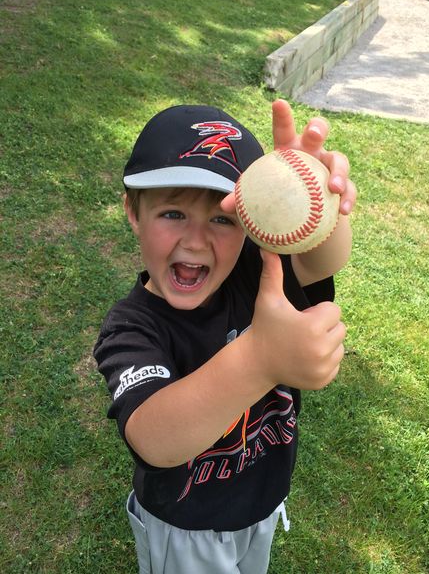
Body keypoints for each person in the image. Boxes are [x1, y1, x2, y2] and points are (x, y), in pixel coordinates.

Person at [94, 99, 356, 574]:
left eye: (222, 219)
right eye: (173, 213)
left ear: (252, 223)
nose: (196, 241)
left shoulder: (256, 275)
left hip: (260, 502)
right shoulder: (132, 327)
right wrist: (260, 359)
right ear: (133, 211)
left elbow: (321, 260)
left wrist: (319, 197)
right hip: (185, 525)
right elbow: (155, 437)